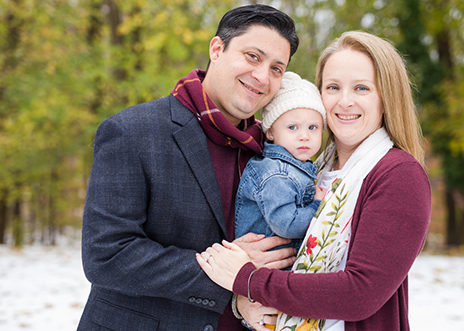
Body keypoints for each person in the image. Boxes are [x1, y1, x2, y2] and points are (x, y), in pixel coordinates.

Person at [79, 4, 301, 330]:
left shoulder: (271, 153)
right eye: (253, 56)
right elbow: (107, 255)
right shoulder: (132, 131)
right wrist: (227, 271)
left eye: (276, 69)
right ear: (217, 49)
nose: (262, 76)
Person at [196, 30, 431, 331]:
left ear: (387, 97)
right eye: (333, 87)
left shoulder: (398, 174)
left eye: (361, 88)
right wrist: (244, 303)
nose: (344, 101)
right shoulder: (311, 169)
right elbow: (283, 265)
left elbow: (360, 293)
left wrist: (247, 279)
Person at [234, 71, 327, 252]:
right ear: (270, 132)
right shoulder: (276, 174)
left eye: (313, 127)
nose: (304, 136)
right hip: (268, 265)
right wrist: (317, 205)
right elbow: (287, 224)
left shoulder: (295, 167)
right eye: (292, 127)